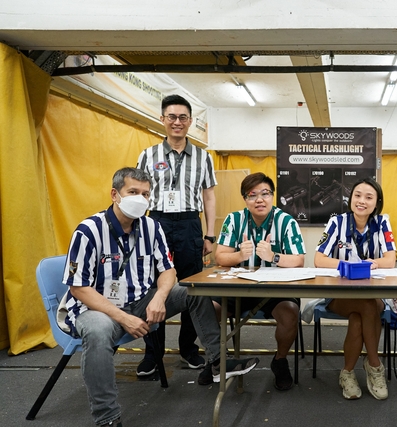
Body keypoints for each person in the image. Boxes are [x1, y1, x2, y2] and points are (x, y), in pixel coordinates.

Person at [61, 168, 257, 427]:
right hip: (96, 308)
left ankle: (219, 361)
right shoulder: (89, 231)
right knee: (97, 332)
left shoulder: (152, 227)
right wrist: (123, 317)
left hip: (140, 300)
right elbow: (79, 288)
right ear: (114, 194)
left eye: (145, 194)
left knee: (194, 291)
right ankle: (107, 417)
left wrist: (159, 297)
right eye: (133, 192)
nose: (140, 199)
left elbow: (168, 270)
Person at [135, 94, 216, 375]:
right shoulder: (148, 155)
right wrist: (138, 229)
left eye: (183, 117)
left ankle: (189, 349)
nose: (177, 122)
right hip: (155, 222)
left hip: (190, 224)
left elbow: (209, 196)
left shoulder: (204, 157)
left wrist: (210, 234)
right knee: (154, 289)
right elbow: (139, 193)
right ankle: (152, 354)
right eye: (172, 117)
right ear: (162, 120)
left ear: (190, 122)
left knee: (192, 288)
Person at [210, 172, 306, 391]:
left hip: (275, 291)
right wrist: (239, 257)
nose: (259, 200)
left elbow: (299, 260)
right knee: (209, 307)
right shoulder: (234, 219)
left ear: (272, 196)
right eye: (252, 195)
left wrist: (273, 257)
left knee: (290, 312)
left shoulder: (286, 221)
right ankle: (216, 359)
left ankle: (280, 360)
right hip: (238, 290)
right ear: (245, 199)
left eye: (265, 194)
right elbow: (220, 257)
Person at [315, 177, 396, 401]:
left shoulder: (382, 223)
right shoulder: (336, 222)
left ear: (376, 202)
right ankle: (375, 364)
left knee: (360, 314)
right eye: (357, 195)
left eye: (368, 197)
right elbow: (319, 259)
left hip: (372, 292)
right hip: (340, 295)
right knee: (366, 306)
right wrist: (347, 266)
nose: (361, 201)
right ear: (350, 198)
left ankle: (347, 373)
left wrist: (375, 263)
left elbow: (391, 258)